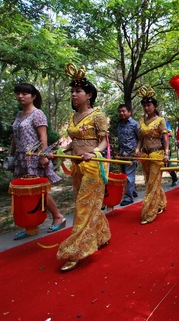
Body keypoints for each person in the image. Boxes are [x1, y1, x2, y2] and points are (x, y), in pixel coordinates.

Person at [51, 63, 111, 272]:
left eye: (78, 91)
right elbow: (72, 143)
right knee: (85, 203)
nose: (74, 95)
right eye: (72, 91)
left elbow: (104, 142)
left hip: (93, 166)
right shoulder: (72, 116)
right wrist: (59, 152)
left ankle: (75, 250)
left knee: (83, 208)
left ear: (89, 94)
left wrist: (94, 153)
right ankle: (102, 234)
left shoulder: (97, 115)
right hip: (77, 166)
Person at [10, 83, 65, 240]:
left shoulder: (37, 114)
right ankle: (30, 225)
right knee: (24, 192)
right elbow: (15, 138)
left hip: (34, 158)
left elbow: (43, 137)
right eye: (18, 93)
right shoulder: (19, 114)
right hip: (21, 159)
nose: (20, 96)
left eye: (24, 93)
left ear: (33, 96)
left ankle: (58, 216)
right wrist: (12, 155)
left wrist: (43, 155)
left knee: (38, 190)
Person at [134, 86, 169, 224]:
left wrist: (166, 154)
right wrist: (137, 149)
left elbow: (165, 138)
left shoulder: (160, 120)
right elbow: (141, 139)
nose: (146, 108)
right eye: (144, 105)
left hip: (157, 154)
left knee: (151, 184)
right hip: (145, 155)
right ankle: (161, 203)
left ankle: (149, 212)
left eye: (149, 105)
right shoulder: (141, 121)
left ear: (154, 106)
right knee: (149, 181)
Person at [116, 104, 139, 206]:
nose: (121, 113)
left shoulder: (134, 124)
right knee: (124, 174)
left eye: (123, 111)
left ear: (129, 112)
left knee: (129, 175)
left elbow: (140, 139)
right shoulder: (119, 124)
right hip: (121, 154)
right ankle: (133, 191)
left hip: (131, 153)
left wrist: (137, 151)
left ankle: (128, 197)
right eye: (120, 111)